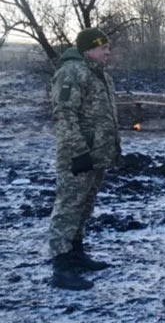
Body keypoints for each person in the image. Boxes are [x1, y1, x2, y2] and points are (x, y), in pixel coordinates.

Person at [48, 28, 121, 291]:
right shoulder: (72, 72)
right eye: (103, 47)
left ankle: (76, 253)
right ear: (89, 48)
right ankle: (61, 266)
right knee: (68, 207)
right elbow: (64, 115)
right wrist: (78, 152)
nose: (108, 51)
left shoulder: (100, 75)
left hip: (97, 155)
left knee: (84, 206)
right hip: (77, 156)